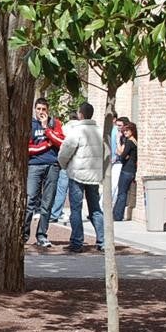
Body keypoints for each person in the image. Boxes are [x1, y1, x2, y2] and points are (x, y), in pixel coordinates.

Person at [56, 102, 107, 253]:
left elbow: (65, 152)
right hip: (94, 175)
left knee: (76, 209)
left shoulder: (76, 131)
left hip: (77, 175)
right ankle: (102, 240)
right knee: (95, 209)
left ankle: (77, 241)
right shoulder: (100, 131)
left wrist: (64, 165)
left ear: (80, 114)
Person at [24, 98, 65, 247]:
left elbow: (61, 142)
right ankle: (23, 234)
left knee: (47, 203)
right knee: (30, 200)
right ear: (35, 109)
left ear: (48, 110)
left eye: (44, 109)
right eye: (39, 109)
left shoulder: (55, 123)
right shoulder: (29, 124)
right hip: (34, 166)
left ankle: (42, 235)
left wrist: (46, 128)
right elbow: (28, 149)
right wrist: (48, 144)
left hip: (52, 166)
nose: (41, 112)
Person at [51, 110, 80, 223]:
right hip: (78, 164)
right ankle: (75, 215)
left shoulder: (65, 128)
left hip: (66, 162)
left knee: (61, 189)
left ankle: (55, 213)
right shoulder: (81, 128)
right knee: (76, 191)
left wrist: (62, 162)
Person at [113, 121, 139, 221]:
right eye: (124, 131)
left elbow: (122, 155)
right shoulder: (135, 142)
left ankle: (117, 215)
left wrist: (118, 143)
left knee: (122, 193)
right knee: (123, 193)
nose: (125, 133)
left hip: (126, 170)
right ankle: (117, 214)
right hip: (131, 170)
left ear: (132, 131)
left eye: (127, 131)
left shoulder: (129, 142)